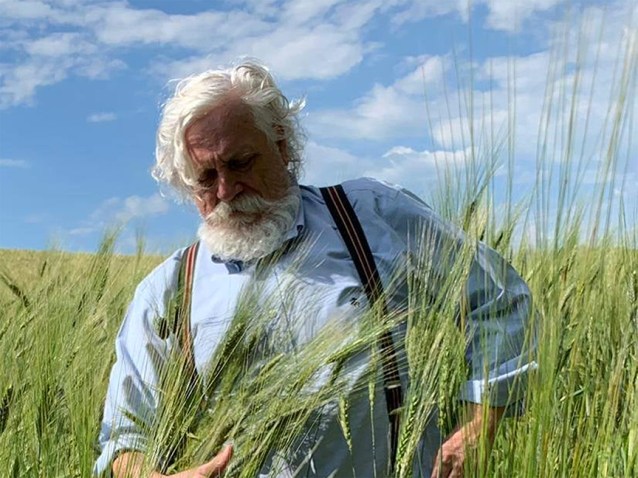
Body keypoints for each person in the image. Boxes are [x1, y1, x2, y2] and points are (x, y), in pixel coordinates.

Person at [94, 60, 536, 478]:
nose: (226, 190)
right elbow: (125, 436)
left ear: (282, 144)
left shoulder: (370, 215)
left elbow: (499, 300)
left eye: (239, 163)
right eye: (205, 178)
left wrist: (479, 425)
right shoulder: (170, 288)